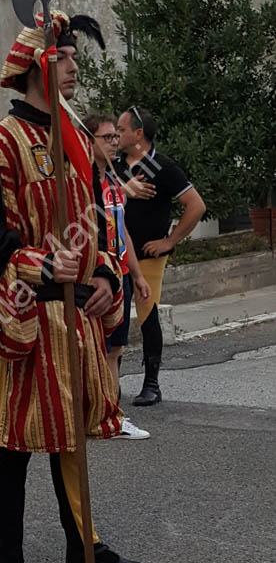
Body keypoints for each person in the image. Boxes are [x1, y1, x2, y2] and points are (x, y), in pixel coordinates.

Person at [0, 11, 147, 563]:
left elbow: (95, 224)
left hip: (72, 317)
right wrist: (45, 268)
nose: (75, 66)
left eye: (73, 56)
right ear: (38, 65)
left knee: (71, 438)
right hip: (22, 318)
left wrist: (101, 278)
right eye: (65, 57)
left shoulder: (74, 142)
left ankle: (83, 545)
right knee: (14, 443)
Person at [115, 106, 206, 405]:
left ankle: (151, 383)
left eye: (122, 130)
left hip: (147, 255)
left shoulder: (164, 167)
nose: (116, 135)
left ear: (138, 134)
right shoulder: (113, 166)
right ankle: (109, 385)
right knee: (113, 319)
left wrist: (170, 241)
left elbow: (196, 205)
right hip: (115, 253)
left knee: (147, 315)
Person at [83, 113, 152, 439]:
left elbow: (121, 229)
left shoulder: (112, 179)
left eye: (115, 137)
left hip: (119, 272)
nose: (113, 142)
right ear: (88, 140)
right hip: (95, 274)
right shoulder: (82, 180)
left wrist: (137, 276)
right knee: (94, 349)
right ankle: (98, 414)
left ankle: (112, 415)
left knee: (114, 350)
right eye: (106, 137)